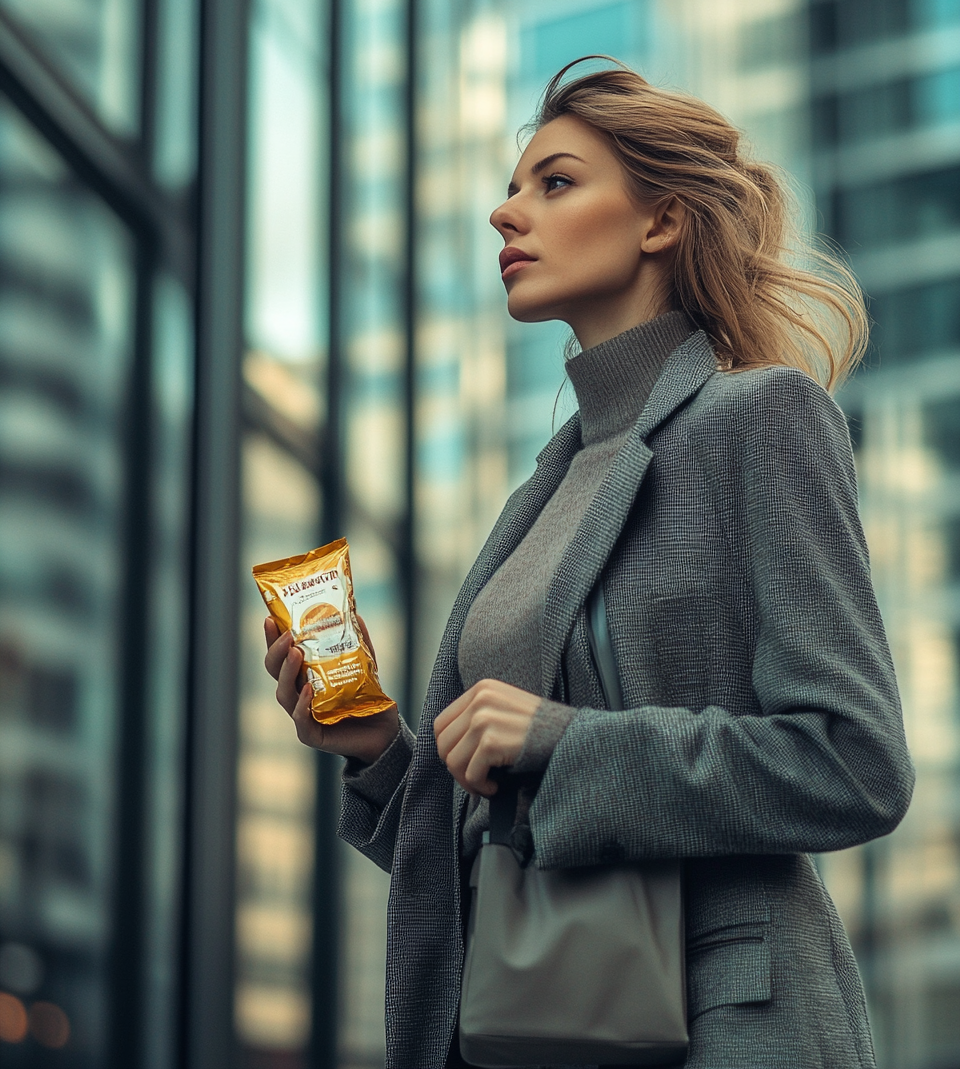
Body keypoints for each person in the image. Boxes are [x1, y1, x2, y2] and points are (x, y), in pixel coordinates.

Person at [264, 62, 914, 1068]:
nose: (503, 212)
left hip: (721, 1025)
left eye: (553, 182)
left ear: (659, 223)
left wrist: (566, 743)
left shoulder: (763, 420)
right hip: (536, 1026)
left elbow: (855, 766)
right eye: (514, 186)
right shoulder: (548, 488)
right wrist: (378, 749)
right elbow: (490, 851)